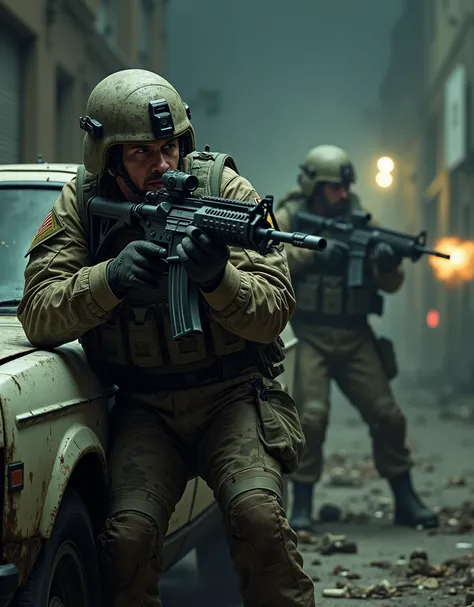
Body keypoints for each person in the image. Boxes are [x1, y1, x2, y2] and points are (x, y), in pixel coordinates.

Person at [17, 69, 316, 607]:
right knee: (125, 543)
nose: (162, 165)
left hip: (232, 397)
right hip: (145, 407)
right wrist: (109, 277)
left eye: (169, 147)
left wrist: (216, 280)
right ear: (107, 157)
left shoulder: (225, 190)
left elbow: (274, 309)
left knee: (260, 522)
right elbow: (38, 313)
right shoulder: (83, 204)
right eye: (141, 153)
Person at [275, 144, 438, 535]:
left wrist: (385, 263)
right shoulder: (290, 216)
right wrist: (315, 254)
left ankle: (404, 496)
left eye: (347, 186)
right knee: (310, 419)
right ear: (314, 185)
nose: (344, 194)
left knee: (388, 415)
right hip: (309, 332)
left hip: (355, 334)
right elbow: (268, 256)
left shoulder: (364, 221)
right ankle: (304, 501)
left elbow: (392, 284)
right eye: (335, 187)